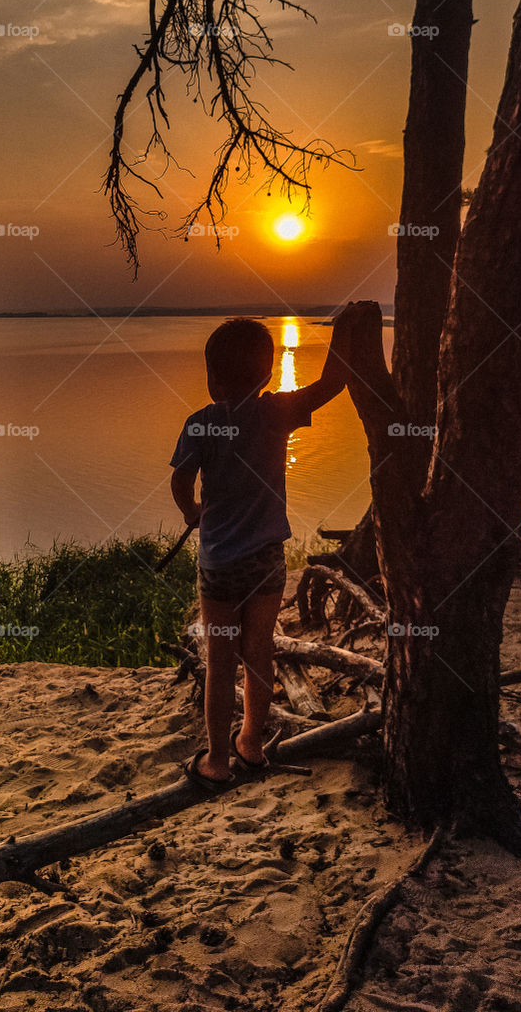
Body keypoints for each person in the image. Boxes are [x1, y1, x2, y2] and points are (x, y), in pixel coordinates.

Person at [169, 308, 355, 789]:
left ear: (212, 379)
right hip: (268, 560)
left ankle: (216, 761)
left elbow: (180, 482)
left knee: (220, 663)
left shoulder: (199, 424)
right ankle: (250, 744)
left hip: (219, 565)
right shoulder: (277, 413)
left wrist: (192, 512)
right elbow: (332, 382)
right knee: (259, 653)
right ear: (268, 373)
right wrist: (345, 328)